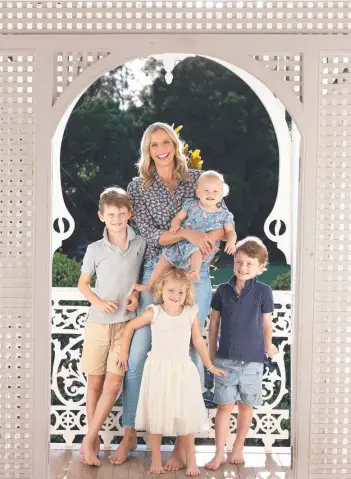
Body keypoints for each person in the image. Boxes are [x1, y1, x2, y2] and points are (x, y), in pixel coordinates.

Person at [109, 122, 227, 467]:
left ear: (174, 145)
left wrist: (204, 237)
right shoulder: (138, 187)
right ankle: (130, 431)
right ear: (147, 150)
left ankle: (182, 443)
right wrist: (188, 232)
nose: (161, 148)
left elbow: (219, 222)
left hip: (196, 272)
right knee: (141, 351)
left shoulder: (198, 178)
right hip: (155, 271)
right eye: (154, 144)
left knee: (192, 354)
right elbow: (149, 234)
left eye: (166, 142)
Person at [117, 268, 226, 476]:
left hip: (183, 370)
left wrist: (209, 366)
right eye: (171, 291)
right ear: (161, 289)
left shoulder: (189, 313)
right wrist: (124, 353)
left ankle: (191, 461)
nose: (175, 296)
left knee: (185, 416)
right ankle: (156, 460)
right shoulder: (154, 311)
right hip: (158, 370)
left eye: (180, 293)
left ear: (187, 294)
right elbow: (130, 326)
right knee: (156, 415)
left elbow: (197, 341)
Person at [78, 187, 146, 466]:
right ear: (101, 216)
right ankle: (92, 442)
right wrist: (98, 300)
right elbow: (83, 284)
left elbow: (144, 277)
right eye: (111, 215)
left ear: (129, 214)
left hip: (125, 326)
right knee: (94, 383)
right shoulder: (95, 249)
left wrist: (137, 295)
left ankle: (87, 438)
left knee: (114, 382)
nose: (116, 219)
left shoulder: (140, 243)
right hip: (98, 323)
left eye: (121, 214)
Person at [205, 236, 279, 470]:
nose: (243, 268)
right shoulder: (223, 291)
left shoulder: (264, 292)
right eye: (239, 262)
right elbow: (214, 324)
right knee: (224, 407)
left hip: (253, 361)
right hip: (225, 360)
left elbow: (267, 323)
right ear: (234, 261)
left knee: (246, 406)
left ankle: (238, 448)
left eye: (249, 264)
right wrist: (211, 354)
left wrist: (269, 345)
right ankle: (219, 453)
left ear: (260, 267)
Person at [134, 170, 236, 291]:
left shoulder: (224, 215)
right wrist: (175, 225)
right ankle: (150, 285)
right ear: (198, 191)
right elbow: (178, 217)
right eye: (206, 190)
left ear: (222, 194)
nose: (210, 194)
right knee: (164, 258)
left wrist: (231, 242)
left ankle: (195, 272)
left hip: (200, 246)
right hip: (181, 244)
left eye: (215, 191)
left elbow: (230, 232)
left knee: (195, 251)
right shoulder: (191, 205)